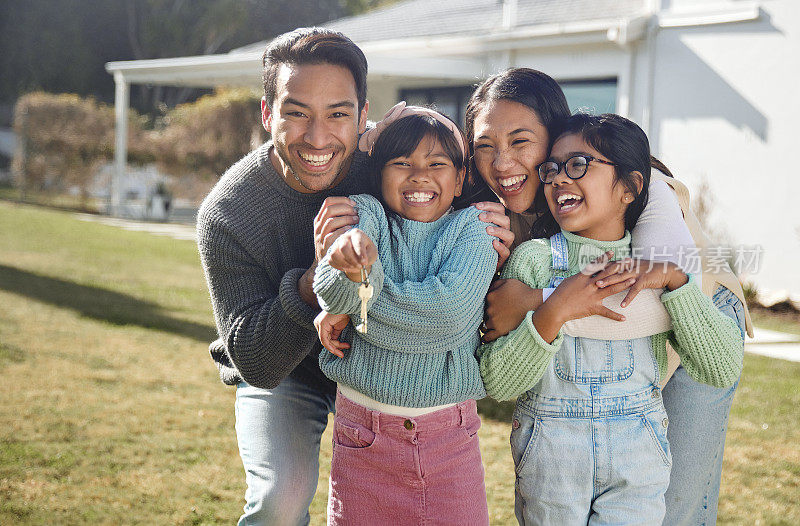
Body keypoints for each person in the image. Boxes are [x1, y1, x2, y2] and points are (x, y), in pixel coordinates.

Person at [197, 28, 513, 525]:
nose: (318, 138)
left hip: (382, 360)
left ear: (363, 118)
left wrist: (492, 214)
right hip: (285, 369)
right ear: (266, 113)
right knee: (277, 501)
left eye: (338, 115)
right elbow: (255, 361)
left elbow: (442, 177)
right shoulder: (228, 214)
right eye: (296, 112)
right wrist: (313, 286)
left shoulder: (377, 163)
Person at [463, 68, 752, 525]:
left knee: (678, 507)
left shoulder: (646, 189)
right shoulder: (514, 220)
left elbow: (647, 298)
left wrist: (540, 302)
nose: (502, 163)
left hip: (701, 307)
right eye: (485, 145)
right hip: (568, 418)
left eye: (521, 141)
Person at [312, 103, 497, 524]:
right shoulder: (366, 214)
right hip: (363, 437)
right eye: (402, 163)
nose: (419, 175)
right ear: (379, 175)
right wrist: (348, 268)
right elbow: (340, 292)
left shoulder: (474, 227)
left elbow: (447, 316)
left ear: (460, 178)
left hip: (449, 438)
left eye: (437, 164)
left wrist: (361, 304)